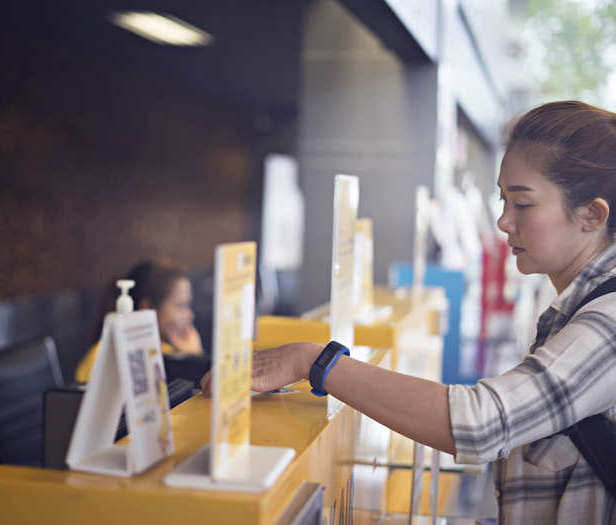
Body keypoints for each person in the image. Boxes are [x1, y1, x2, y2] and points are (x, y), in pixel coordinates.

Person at [201, 101, 616, 524]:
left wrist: (313, 361)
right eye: (502, 199)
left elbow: (482, 422)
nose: (503, 221)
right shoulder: (574, 310)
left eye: (523, 204)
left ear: (591, 215)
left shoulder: (610, 322)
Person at [76, 258, 203, 382]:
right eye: (181, 306)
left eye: (188, 305)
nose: (190, 315)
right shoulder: (103, 356)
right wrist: (192, 359)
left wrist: (191, 357)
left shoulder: (168, 350)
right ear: (148, 309)